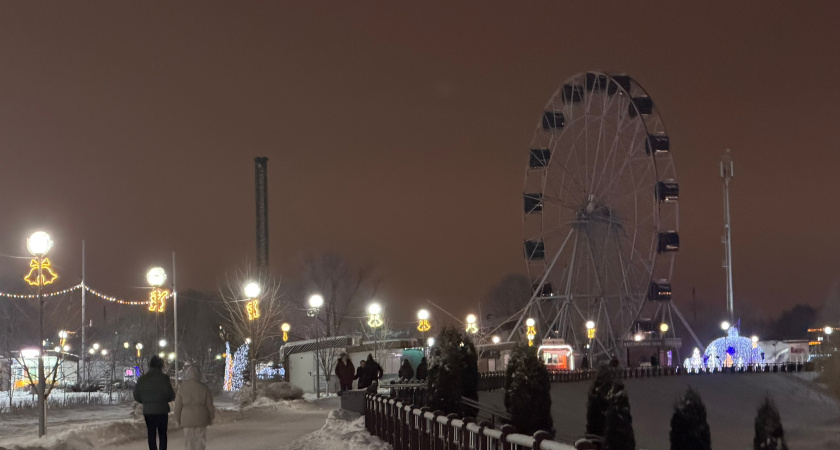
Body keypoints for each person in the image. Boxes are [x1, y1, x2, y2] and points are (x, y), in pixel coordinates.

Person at [133, 355, 176, 450]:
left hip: (148, 411)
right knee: (162, 434)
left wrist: (145, 401)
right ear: (160, 366)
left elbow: (136, 395)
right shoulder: (164, 378)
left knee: (151, 434)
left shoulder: (142, 379)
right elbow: (171, 395)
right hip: (162, 411)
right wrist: (164, 399)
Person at [174, 366, 215, 450]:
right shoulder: (204, 387)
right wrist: (211, 418)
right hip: (201, 418)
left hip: (187, 418)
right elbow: (209, 405)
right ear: (198, 374)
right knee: (200, 441)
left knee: (189, 442)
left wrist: (177, 419)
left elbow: (178, 406)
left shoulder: (182, 388)